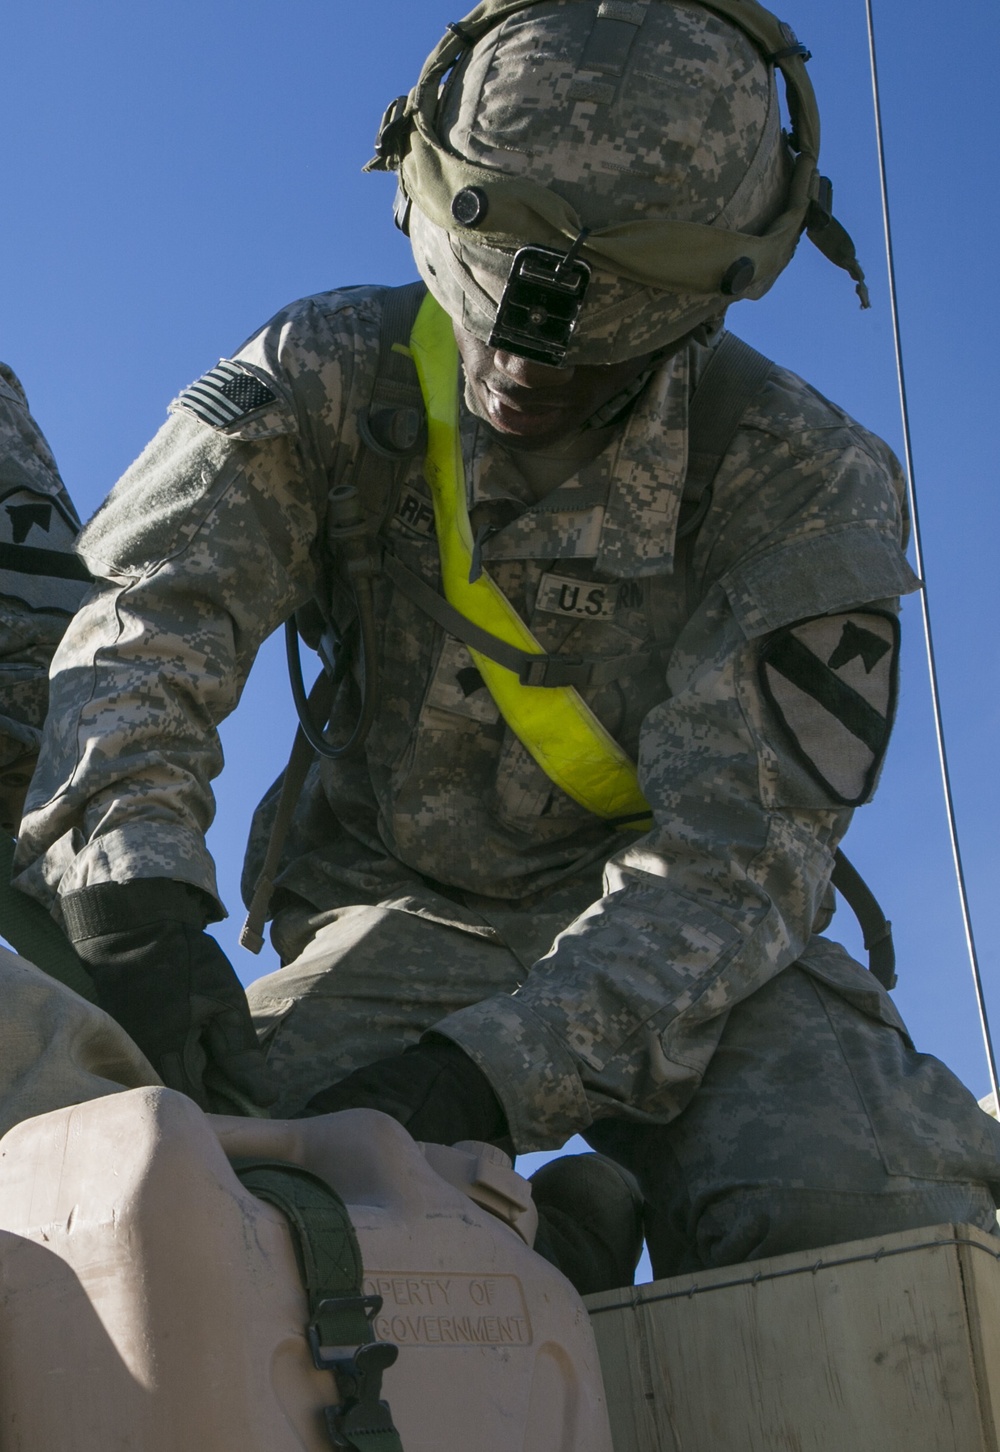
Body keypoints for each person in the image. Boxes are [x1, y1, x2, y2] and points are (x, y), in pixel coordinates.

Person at [16, 0, 1000, 1291]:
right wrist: (134, 900)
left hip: (694, 957)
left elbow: (730, 868)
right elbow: (145, 620)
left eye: (594, 354)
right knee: (143, 1180)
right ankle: (546, 1256)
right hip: (395, 914)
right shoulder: (324, 375)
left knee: (872, 1215)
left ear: (704, 301)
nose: (524, 377)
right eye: (498, 323)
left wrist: (475, 1083)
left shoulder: (803, 485)